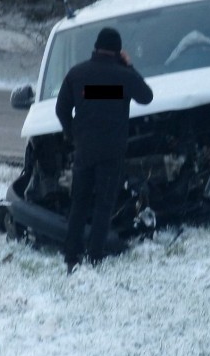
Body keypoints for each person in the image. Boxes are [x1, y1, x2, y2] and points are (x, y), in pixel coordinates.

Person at [56, 27, 154, 273]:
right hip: (112, 150)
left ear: (96, 47)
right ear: (117, 51)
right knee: (103, 205)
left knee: (79, 203)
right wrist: (129, 66)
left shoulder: (77, 74)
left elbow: (61, 109)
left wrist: (72, 133)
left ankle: (71, 256)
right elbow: (146, 96)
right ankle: (95, 257)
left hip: (85, 148)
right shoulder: (124, 76)